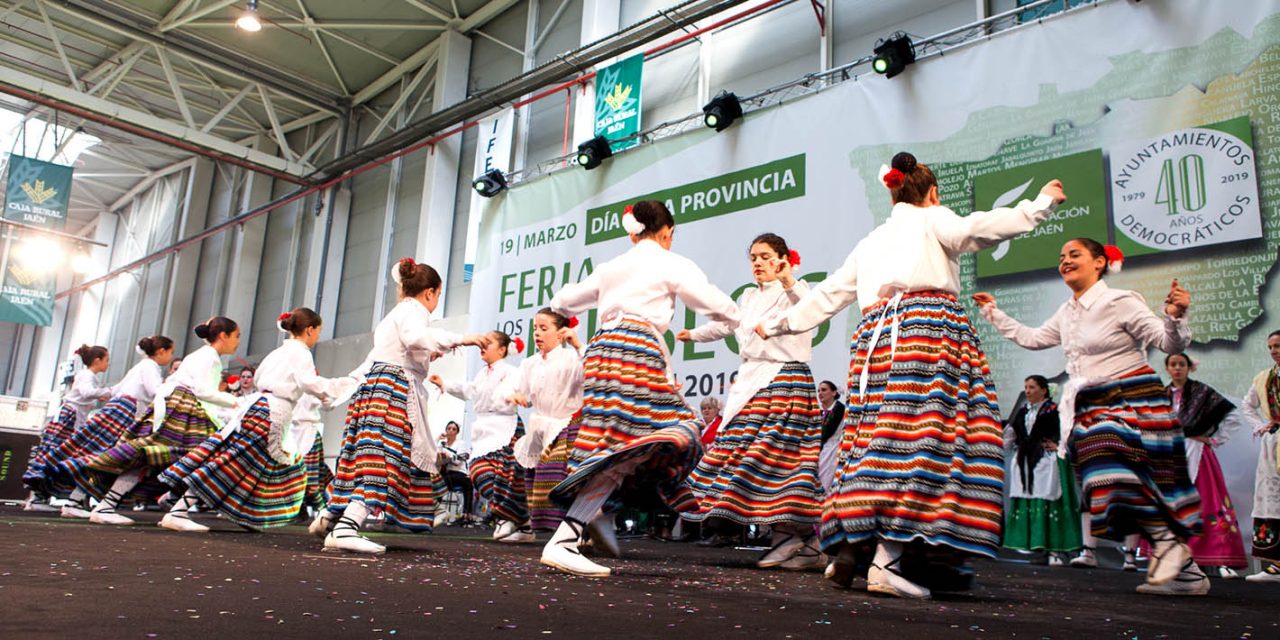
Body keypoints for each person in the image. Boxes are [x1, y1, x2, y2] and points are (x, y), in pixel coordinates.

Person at [757, 151, 1065, 599]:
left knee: (872, 440)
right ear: (932, 193)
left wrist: (782, 324)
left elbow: (827, 295)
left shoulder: (872, 240)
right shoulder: (931, 218)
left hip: (874, 346)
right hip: (925, 332)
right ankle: (890, 558)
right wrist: (1041, 203)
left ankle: (854, 546)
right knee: (926, 441)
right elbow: (977, 229)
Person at [975, 238, 1203, 596]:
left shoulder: (1120, 301)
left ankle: (1168, 544)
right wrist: (994, 312)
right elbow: (1033, 338)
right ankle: (1188, 572)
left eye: (1074, 254)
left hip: (1130, 396)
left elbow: (1168, 343)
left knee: (1111, 465)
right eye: (1061, 256)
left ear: (1100, 262)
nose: (1065, 261)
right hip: (1091, 405)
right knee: (1107, 482)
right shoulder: (1067, 312)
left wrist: (1174, 318)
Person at [542, 199, 740, 578]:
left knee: (617, 443)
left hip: (601, 351)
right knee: (678, 431)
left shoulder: (612, 266)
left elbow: (562, 301)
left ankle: (593, 514)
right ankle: (570, 534)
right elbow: (715, 303)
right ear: (666, 232)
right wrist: (739, 316)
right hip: (637, 350)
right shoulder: (670, 262)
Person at [310, 258, 490, 554]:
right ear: (430, 293)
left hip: (381, 384)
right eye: (439, 296)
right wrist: (463, 338)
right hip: (392, 389)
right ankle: (344, 527)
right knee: (384, 458)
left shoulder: (398, 313)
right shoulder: (412, 311)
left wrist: (428, 357)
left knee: (371, 456)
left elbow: (401, 348)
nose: (436, 302)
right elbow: (414, 337)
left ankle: (332, 517)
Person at [679, 233, 823, 571]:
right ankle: (805, 542)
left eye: (765, 256)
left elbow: (811, 308)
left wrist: (789, 279)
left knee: (778, 460)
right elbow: (726, 327)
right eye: (754, 257)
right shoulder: (747, 297)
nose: (758, 263)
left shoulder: (795, 290)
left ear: (783, 258)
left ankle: (789, 539)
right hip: (751, 383)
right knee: (750, 459)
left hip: (785, 380)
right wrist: (693, 335)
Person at [158, 308, 348, 532]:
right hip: (272, 414)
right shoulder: (301, 353)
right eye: (318, 331)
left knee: (248, 466)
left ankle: (246, 514)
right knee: (236, 464)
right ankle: (180, 510)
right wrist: (344, 384)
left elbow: (260, 379)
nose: (317, 336)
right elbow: (309, 383)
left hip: (260, 407)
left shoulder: (279, 352)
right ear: (309, 330)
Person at [72, 318, 242, 526]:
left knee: (152, 455)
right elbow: (202, 391)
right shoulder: (210, 358)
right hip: (183, 407)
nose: (238, 341)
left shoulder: (202, 356)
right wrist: (235, 402)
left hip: (176, 405)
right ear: (223, 336)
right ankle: (175, 510)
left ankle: (111, 504)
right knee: (205, 457)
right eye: (236, 336)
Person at [39, 337, 175, 519]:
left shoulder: (142, 366)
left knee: (103, 456)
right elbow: (155, 391)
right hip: (126, 411)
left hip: (119, 408)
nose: (170, 356)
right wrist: (176, 386)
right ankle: (77, 501)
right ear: (161, 351)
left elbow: (118, 389)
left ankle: (75, 500)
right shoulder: (150, 367)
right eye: (170, 352)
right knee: (110, 458)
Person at [430, 331, 528, 542]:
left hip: (506, 427)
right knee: (479, 473)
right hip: (484, 429)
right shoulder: (483, 373)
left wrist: (511, 396)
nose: (482, 345)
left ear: (502, 349)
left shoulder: (510, 372)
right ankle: (515, 517)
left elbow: (508, 391)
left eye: (489, 342)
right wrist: (444, 384)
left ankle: (513, 520)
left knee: (507, 478)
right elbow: (469, 390)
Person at [1163, 352, 1248, 579]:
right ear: (1167, 369)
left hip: (1199, 455)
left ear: (1189, 367)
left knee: (1207, 503)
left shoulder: (1202, 392)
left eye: (1182, 364)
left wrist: (1212, 439)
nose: (1178, 368)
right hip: (1173, 456)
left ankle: (1221, 559)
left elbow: (1233, 417)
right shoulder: (1162, 395)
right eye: (1173, 364)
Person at [503, 308, 585, 535]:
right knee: (535, 481)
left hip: (565, 426)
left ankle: (573, 530)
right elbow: (526, 396)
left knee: (557, 480)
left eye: (543, 328)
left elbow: (591, 372)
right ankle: (549, 530)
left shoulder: (572, 358)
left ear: (561, 333)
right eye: (534, 329)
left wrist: (578, 345)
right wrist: (519, 397)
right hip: (540, 428)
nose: (537, 333)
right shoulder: (530, 364)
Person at [1001, 375, 1082, 566]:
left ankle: (1055, 550)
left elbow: (1069, 431)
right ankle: (1036, 547)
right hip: (1025, 464)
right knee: (1030, 500)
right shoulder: (1022, 413)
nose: (1027, 391)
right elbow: (1009, 437)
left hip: (1048, 462)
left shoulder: (1055, 411)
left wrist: (1061, 445)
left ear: (1043, 390)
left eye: (1032, 387)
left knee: (1050, 500)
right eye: (1026, 387)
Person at [23, 345, 113, 511]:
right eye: (107, 360)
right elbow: (87, 393)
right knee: (55, 454)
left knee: (56, 455)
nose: (108, 364)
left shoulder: (87, 376)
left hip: (71, 417)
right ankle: (37, 497)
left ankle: (40, 497)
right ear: (97, 360)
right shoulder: (87, 375)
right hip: (69, 418)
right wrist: (111, 391)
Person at [1241, 330, 1280, 584]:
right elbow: (1247, 405)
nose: (1274, 350)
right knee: (1273, 500)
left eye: (1277, 345)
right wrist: (1261, 425)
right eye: (1270, 347)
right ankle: (1277, 564)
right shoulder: (1264, 378)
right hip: (1274, 444)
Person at [437, 421, 474, 525]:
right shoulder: (441, 444)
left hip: (458, 472)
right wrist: (438, 438)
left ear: (457, 432)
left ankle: (466, 514)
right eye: (449, 428)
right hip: (445, 472)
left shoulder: (460, 443)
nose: (451, 431)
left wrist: (447, 455)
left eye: (454, 429)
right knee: (437, 482)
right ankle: (438, 512)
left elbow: (458, 461)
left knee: (467, 484)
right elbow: (436, 458)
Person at [816, 380, 846, 493]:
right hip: (823, 450)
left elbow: (825, 433)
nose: (820, 393)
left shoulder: (839, 409)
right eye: (818, 391)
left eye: (824, 390)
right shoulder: (822, 412)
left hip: (833, 450)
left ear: (834, 392)